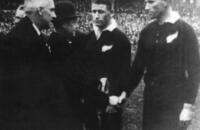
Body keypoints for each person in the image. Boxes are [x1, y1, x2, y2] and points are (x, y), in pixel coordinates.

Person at [0, 0, 83, 129]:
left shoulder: (33, 35)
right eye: (51, 10)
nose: (54, 16)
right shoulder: (20, 39)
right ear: (40, 10)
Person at [129, 0, 200, 130]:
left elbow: (194, 71)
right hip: (151, 100)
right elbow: (137, 67)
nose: (146, 7)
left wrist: (188, 106)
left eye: (151, 2)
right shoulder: (147, 31)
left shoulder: (186, 31)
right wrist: (124, 92)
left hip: (174, 102)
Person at [83, 0, 131, 129]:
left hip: (110, 98)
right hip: (91, 97)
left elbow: (124, 72)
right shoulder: (89, 37)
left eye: (101, 11)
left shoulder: (120, 39)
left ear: (111, 12)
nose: (96, 15)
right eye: (94, 11)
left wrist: (114, 100)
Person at [48, 1, 88, 129]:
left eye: (74, 21)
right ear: (62, 24)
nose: (75, 25)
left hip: (78, 95)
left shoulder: (81, 38)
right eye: (71, 22)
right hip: (61, 96)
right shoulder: (54, 42)